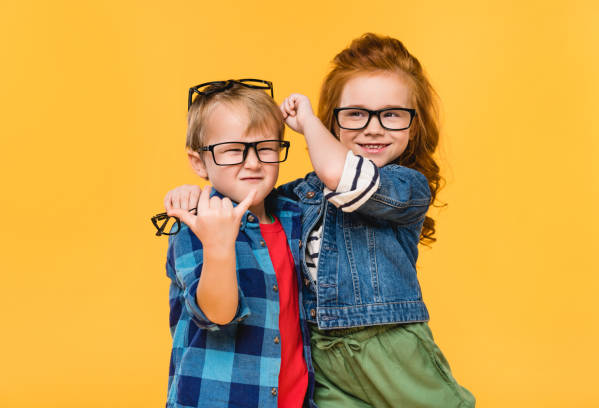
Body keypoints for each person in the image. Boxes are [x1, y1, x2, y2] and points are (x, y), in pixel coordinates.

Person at [165, 34, 475, 407]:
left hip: (391, 349)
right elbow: (243, 187)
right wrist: (192, 194)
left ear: (414, 123)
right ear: (336, 121)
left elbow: (339, 174)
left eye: (391, 114)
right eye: (356, 113)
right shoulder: (290, 203)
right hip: (324, 359)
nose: (373, 127)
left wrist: (310, 124)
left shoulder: (407, 186)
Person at [157, 80, 315, 408]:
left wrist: (310, 125)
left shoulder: (295, 214)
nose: (254, 162)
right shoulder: (196, 224)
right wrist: (218, 246)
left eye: (267, 147)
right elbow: (217, 315)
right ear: (199, 162)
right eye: (233, 150)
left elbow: (340, 182)